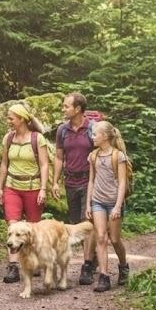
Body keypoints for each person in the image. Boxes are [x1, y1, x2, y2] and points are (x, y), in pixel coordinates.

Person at [0, 103, 50, 284]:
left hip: (33, 187)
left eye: (11, 118)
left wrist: (43, 189)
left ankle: (33, 261)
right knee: (13, 226)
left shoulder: (37, 138)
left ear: (21, 119)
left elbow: (44, 165)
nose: (8, 121)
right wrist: (0, 187)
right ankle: (13, 267)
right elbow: (4, 164)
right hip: (12, 187)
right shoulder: (8, 138)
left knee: (32, 228)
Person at [52, 92, 98, 285]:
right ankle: (93, 257)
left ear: (78, 109)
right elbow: (59, 157)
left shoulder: (92, 128)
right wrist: (55, 181)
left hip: (89, 181)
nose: (63, 109)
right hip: (70, 181)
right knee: (76, 223)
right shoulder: (62, 130)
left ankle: (87, 266)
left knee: (88, 223)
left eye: (66, 106)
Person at [84, 121, 130, 292]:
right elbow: (91, 180)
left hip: (113, 203)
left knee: (115, 240)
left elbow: (122, 183)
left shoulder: (118, 156)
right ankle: (104, 276)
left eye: (95, 134)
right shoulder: (93, 156)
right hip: (98, 202)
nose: (92, 137)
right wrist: (88, 204)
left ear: (104, 136)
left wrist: (118, 206)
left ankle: (123, 266)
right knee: (101, 237)